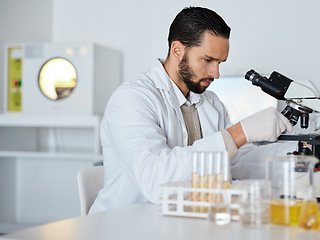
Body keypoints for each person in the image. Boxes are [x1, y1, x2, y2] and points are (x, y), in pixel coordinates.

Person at [89, 6, 295, 214]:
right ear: (177, 50)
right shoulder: (132, 99)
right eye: (208, 60)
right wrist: (239, 133)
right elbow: (156, 181)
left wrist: (302, 154)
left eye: (220, 63)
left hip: (180, 223)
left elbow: (238, 161)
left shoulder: (210, 102)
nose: (216, 73)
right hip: (123, 225)